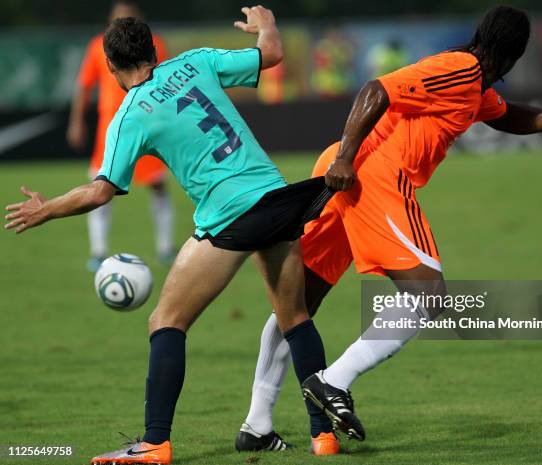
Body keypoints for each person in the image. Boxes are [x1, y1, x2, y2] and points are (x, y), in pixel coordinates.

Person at [236, 5, 542, 454]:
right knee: (428, 293)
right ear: (511, 56)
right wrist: (346, 159)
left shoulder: (474, 87)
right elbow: (377, 90)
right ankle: (334, 381)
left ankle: (256, 423)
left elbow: (507, 114)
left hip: (347, 170)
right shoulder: (460, 69)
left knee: (297, 301)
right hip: (370, 175)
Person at [5, 7, 350, 464]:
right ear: (153, 49)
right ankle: (323, 437)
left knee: (166, 322)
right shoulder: (196, 61)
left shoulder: (130, 114)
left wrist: (45, 210)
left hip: (231, 215)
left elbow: (100, 190)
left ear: (111, 66)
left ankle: (154, 443)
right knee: (296, 319)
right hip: (275, 198)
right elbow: (271, 54)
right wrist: (265, 22)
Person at [67, 0, 175, 270]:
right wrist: (77, 121)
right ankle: (98, 251)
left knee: (158, 186)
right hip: (112, 125)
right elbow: (84, 86)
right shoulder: (97, 47)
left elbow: (172, 82)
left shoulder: (156, 44)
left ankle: (165, 248)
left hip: (149, 123)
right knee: (100, 185)